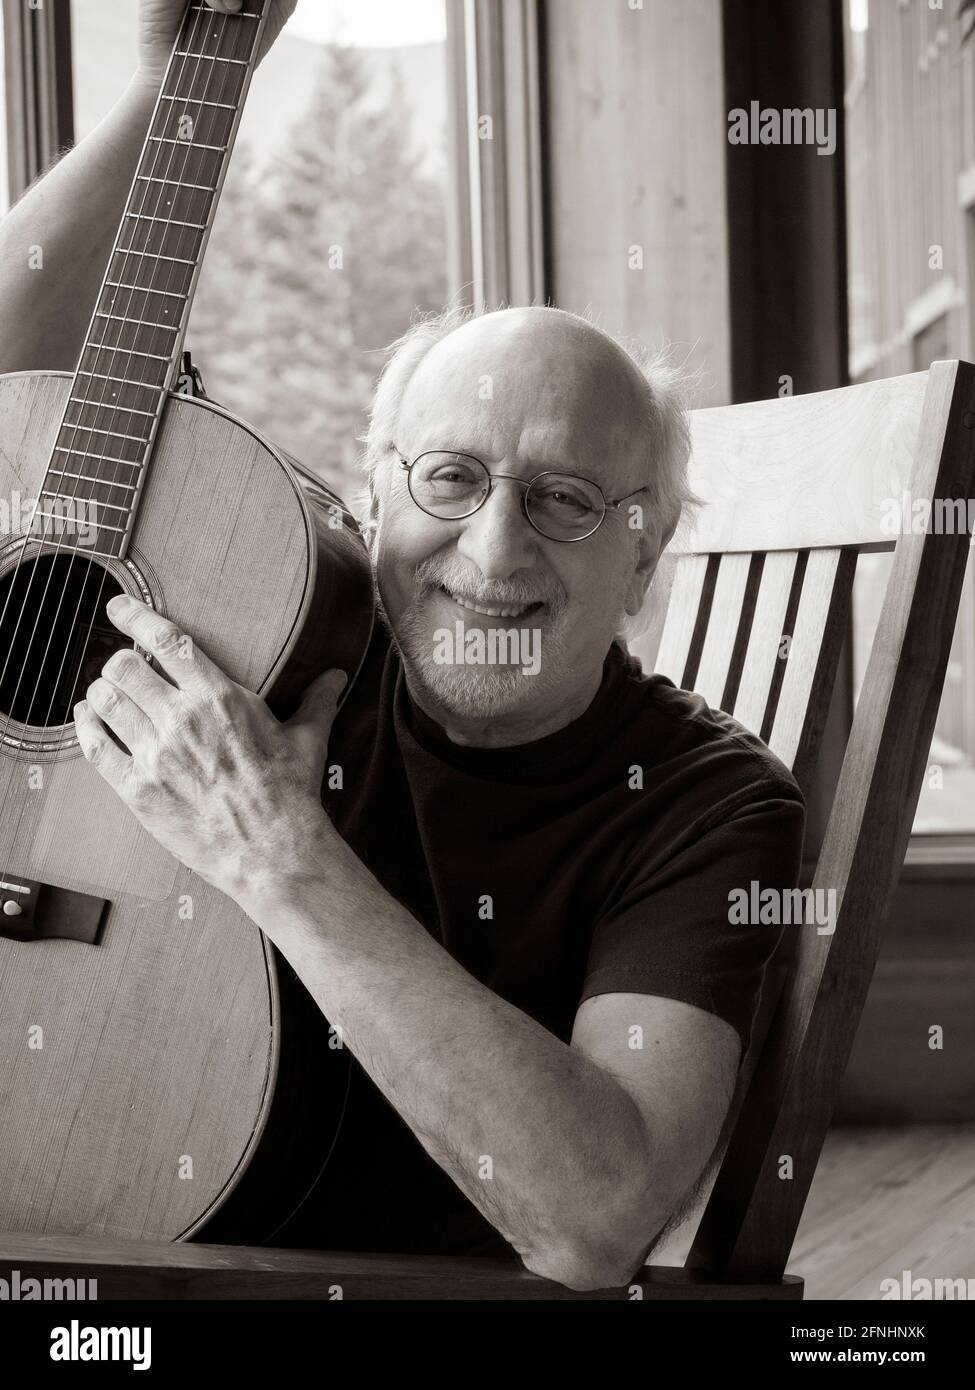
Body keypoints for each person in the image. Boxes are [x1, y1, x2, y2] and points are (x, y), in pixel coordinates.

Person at [0, 0, 804, 1291]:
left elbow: (596, 1219)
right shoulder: (269, 617)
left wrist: (280, 854)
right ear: (371, 503)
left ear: (644, 558)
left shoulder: (709, 809)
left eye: (567, 500)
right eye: (449, 479)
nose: (491, 555)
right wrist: (172, 92)